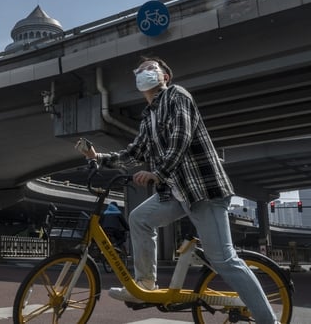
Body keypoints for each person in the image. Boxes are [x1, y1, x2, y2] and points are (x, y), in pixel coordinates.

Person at [78, 55, 279, 324]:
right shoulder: (148, 115)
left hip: (203, 191)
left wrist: (156, 173)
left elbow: (180, 139)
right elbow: (134, 152)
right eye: (139, 70)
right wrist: (97, 157)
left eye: (151, 69)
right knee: (139, 218)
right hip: (176, 194)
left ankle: (269, 321)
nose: (143, 72)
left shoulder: (177, 96)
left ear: (165, 77)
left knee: (225, 261)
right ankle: (145, 285)